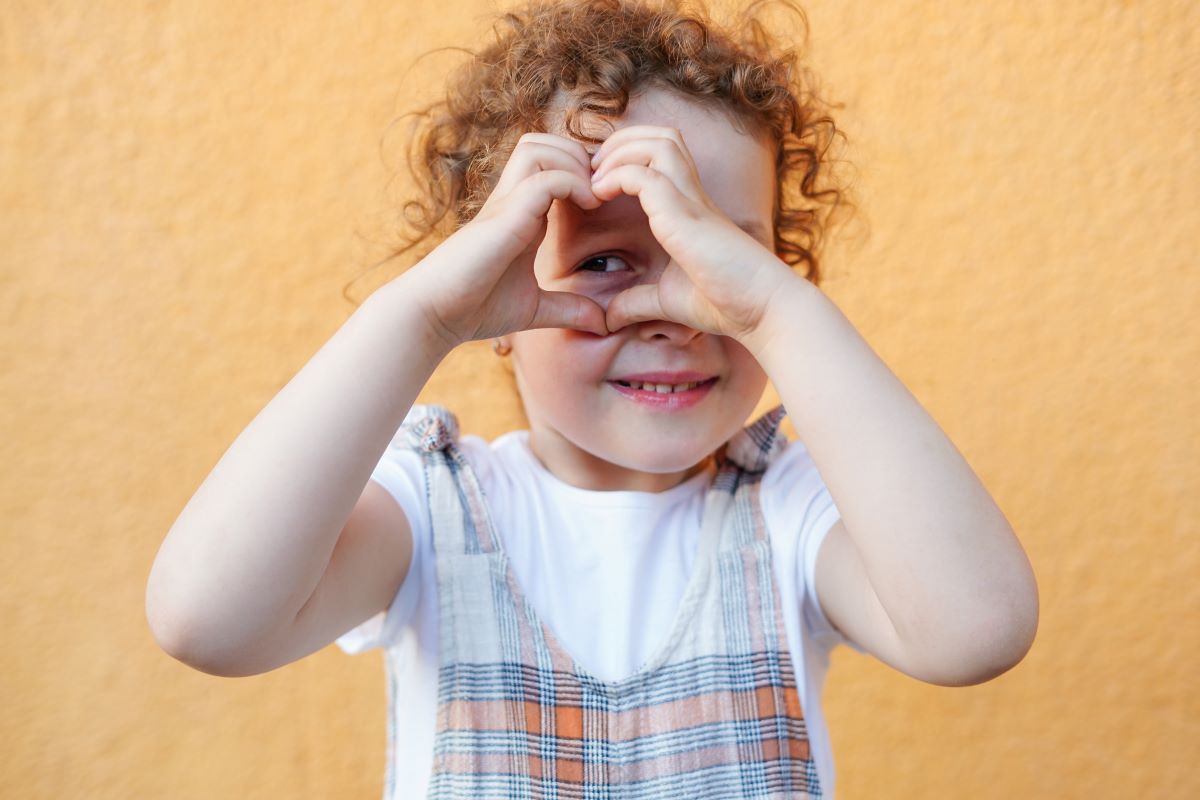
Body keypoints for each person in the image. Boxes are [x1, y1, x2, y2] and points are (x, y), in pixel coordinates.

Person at [146, 1, 1039, 797]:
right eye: (606, 259)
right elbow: (206, 621)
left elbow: (977, 629)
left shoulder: (789, 510)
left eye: (716, 256)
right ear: (492, 289)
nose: (672, 312)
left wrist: (774, 309)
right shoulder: (433, 508)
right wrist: (420, 316)